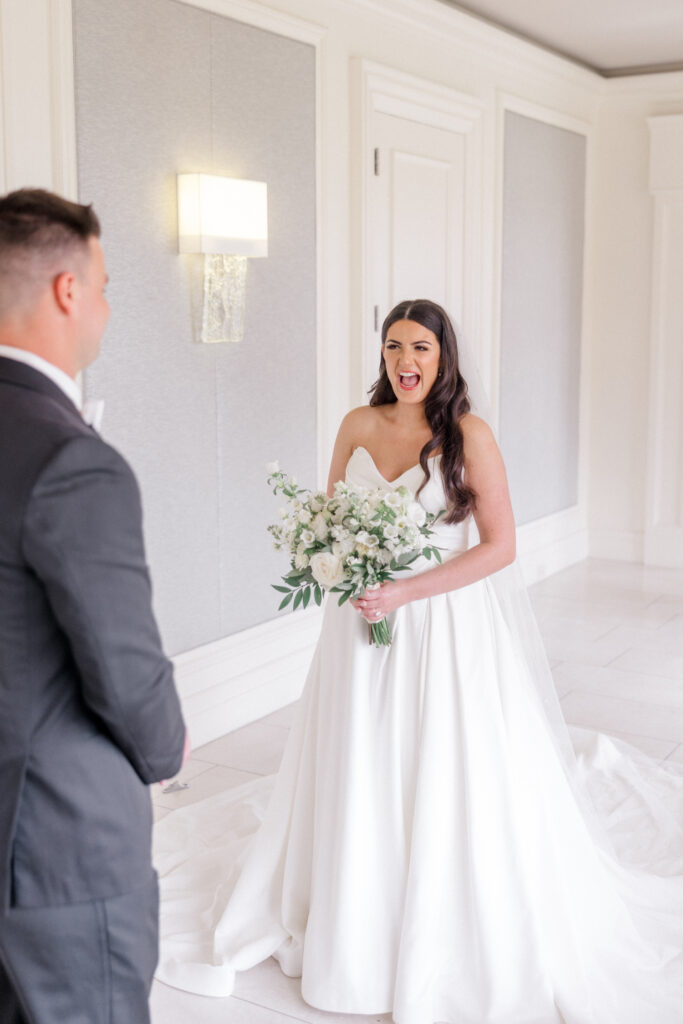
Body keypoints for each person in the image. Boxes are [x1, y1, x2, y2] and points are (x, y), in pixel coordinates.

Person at [155, 299, 683, 1023]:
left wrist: (405, 589)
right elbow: (329, 518)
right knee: (362, 758)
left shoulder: (468, 433)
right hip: (360, 625)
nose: (406, 361)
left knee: (434, 761)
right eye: (394, 346)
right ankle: (353, 904)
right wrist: (341, 568)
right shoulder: (356, 424)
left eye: (421, 348)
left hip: (441, 626)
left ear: (443, 358)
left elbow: (499, 547)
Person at [0, 188, 188, 1024]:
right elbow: (123, 670)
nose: (108, 308)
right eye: (106, 285)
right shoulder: (74, 461)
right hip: (52, 842)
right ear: (67, 291)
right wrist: (167, 748)